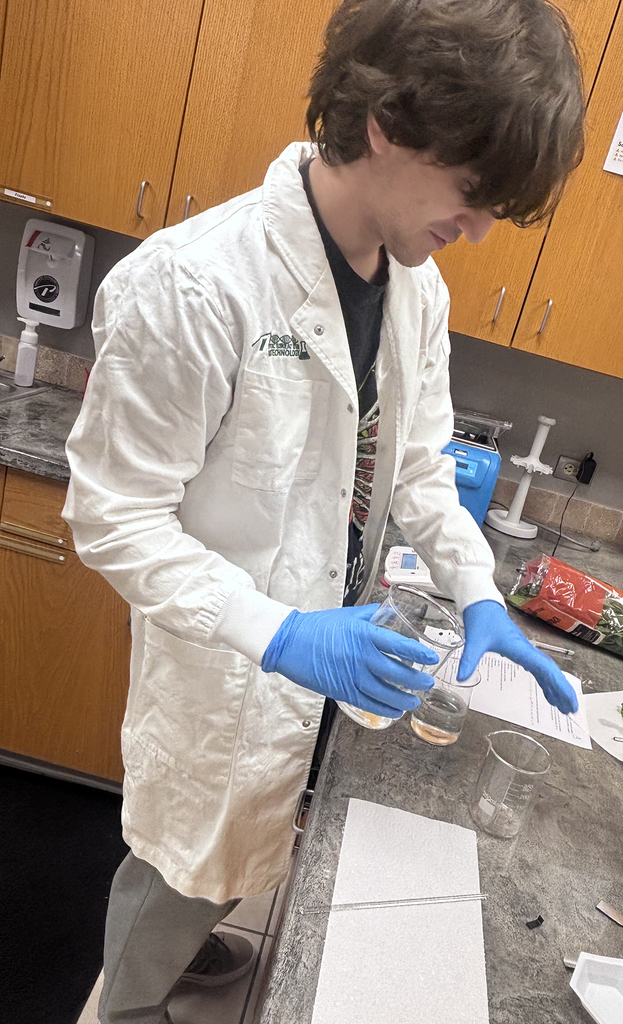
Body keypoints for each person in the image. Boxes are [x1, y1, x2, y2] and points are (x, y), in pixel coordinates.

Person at [63, 0, 585, 1020]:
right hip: (228, 665)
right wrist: (283, 634)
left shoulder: (416, 289)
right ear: (386, 123)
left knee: (237, 857)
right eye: (473, 192)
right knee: (178, 866)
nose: (480, 229)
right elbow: (113, 518)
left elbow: (420, 462)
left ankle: (185, 949)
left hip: (330, 651)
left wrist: (478, 589)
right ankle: (129, 1000)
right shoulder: (192, 285)